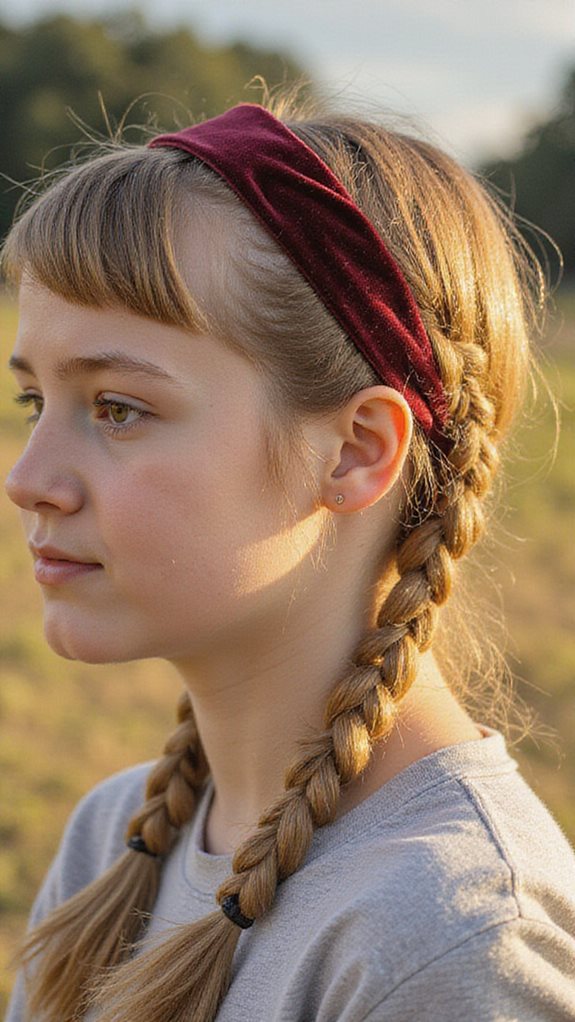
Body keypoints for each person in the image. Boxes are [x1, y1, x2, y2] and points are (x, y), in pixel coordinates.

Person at [3, 92, 575, 1022]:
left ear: (354, 451)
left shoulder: (452, 939)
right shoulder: (115, 842)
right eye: (36, 404)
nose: (29, 479)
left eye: (117, 407)